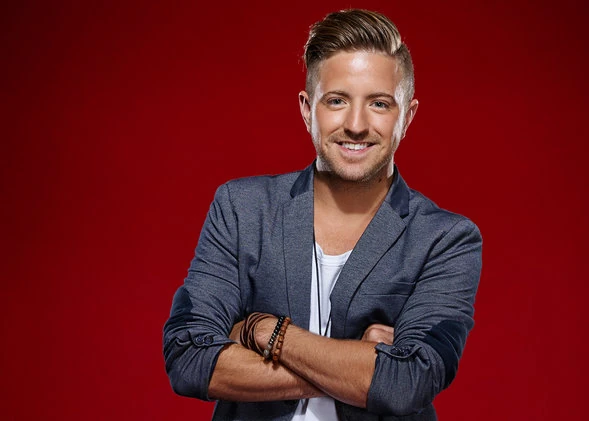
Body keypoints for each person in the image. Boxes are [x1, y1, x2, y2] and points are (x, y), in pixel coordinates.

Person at [163, 9, 482, 421]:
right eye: (336, 101)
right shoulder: (242, 209)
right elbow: (188, 357)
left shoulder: (446, 238)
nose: (356, 124)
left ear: (407, 116)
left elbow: (406, 384)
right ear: (306, 108)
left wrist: (264, 331)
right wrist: (359, 367)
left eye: (379, 103)